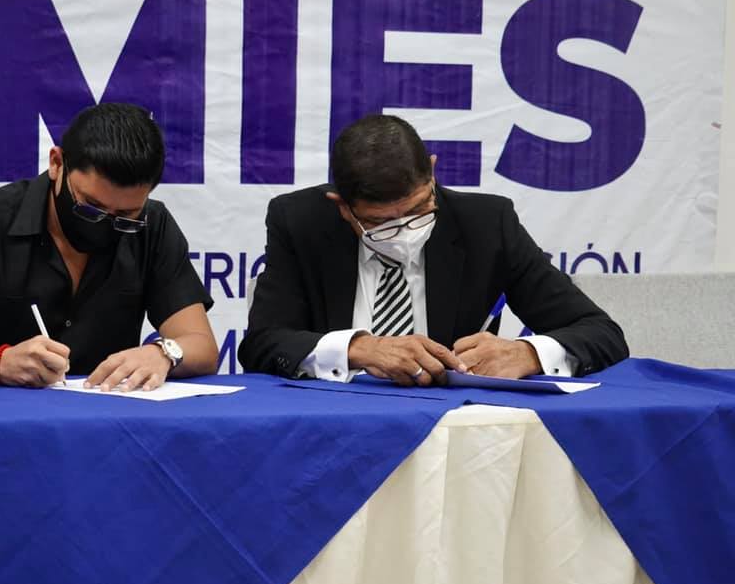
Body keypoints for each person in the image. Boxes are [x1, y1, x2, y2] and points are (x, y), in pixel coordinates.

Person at [238, 114, 628, 385]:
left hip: (456, 426)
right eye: (379, 222)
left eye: (419, 210)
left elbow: (601, 333)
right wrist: (358, 348)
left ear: (433, 170)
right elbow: (262, 345)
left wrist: (528, 354)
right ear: (342, 206)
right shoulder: (301, 221)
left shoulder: (485, 223)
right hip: (334, 421)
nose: (404, 232)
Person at [0, 103, 218, 391]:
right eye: (90, 208)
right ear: (56, 163)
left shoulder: (153, 226)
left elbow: (202, 345)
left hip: (102, 424)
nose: (103, 225)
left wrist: (163, 353)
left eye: (124, 218)